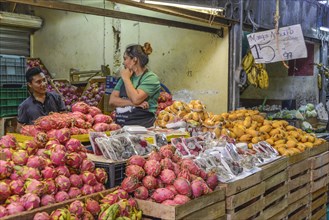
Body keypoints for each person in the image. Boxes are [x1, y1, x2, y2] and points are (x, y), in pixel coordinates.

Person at [109, 42, 161, 127]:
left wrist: (126, 79)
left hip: (143, 127)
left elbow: (136, 99)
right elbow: (112, 101)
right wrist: (132, 103)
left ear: (134, 60)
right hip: (121, 125)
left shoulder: (151, 78)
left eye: (125, 59)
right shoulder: (127, 75)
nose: (123, 63)